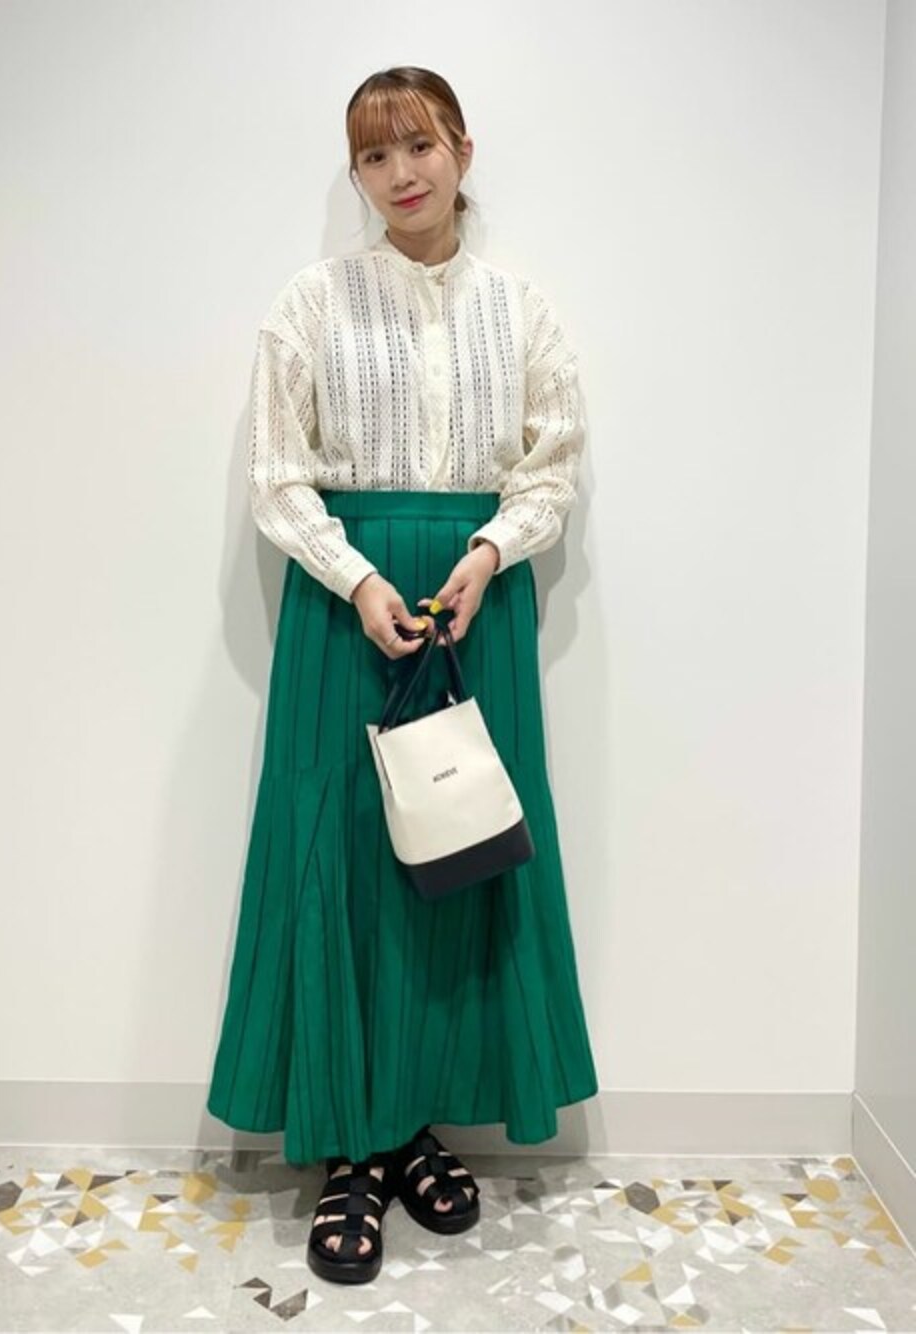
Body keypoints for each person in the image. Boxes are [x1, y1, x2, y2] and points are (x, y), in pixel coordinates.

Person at [207, 65, 599, 1285]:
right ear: (357, 174)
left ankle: (415, 1121)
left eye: (418, 145)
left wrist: (486, 555)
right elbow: (279, 473)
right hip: (348, 603)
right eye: (373, 156)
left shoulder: (521, 308)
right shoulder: (311, 302)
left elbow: (551, 464)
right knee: (339, 858)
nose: (399, 174)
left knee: (460, 855)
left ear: (462, 150)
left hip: (476, 598)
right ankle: (351, 1145)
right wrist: (358, 577)